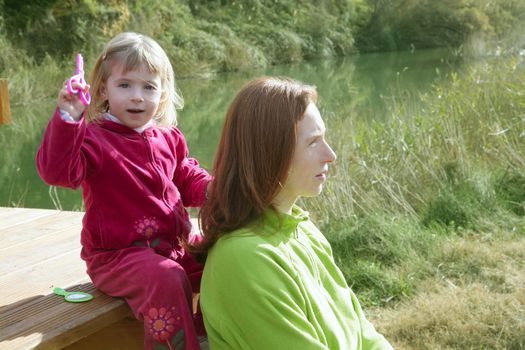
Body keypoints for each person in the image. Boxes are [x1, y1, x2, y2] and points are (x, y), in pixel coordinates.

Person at [36, 32, 211, 350]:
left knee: (219, 257)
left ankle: (206, 332)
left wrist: (214, 190)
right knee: (168, 277)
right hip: (116, 257)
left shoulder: (168, 136)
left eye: (149, 87)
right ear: (102, 88)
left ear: (162, 93)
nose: (137, 97)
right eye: (125, 85)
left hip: (172, 246)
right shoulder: (93, 139)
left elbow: (186, 176)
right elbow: (56, 172)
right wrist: (68, 119)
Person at [190, 77, 393, 349]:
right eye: (313, 142)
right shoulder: (244, 258)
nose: (330, 154)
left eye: (324, 138)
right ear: (270, 152)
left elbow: (362, 332)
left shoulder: (302, 229)